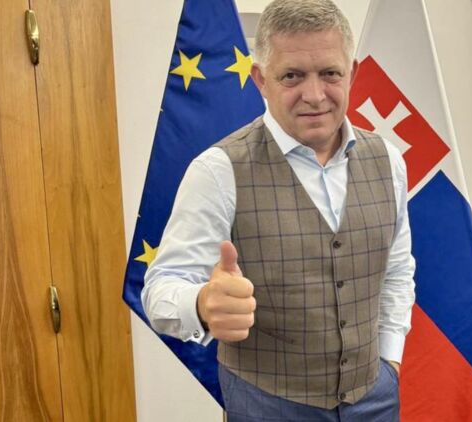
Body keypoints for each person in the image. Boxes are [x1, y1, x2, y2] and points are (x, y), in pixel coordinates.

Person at [141, 0, 415, 420]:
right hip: (266, 405)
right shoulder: (218, 170)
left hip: (374, 399)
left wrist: (390, 361)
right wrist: (201, 303)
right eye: (292, 76)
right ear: (261, 80)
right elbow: (159, 289)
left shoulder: (389, 161)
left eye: (330, 73)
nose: (314, 95)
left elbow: (397, 270)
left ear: (352, 73)